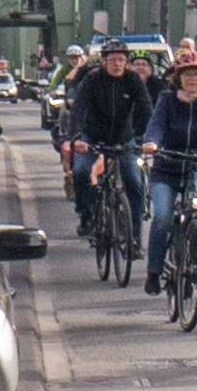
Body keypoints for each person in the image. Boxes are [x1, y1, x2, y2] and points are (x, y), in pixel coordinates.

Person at [139, 50, 197, 297]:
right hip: (167, 167)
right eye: (187, 75)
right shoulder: (167, 99)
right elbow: (155, 124)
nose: (192, 80)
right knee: (163, 218)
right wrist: (151, 143)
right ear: (178, 78)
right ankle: (154, 272)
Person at [67, 39, 152, 242]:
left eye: (122, 60)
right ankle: (86, 215)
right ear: (104, 61)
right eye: (113, 60)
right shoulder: (92, 79)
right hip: (93, 137)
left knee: (134, 183)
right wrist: (76, 137)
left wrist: (145, 137)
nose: (117, 64)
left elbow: (145, 108)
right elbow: (78, 108)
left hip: (124, 139)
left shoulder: (133, 80)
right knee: (81, 172)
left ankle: (135, 237)